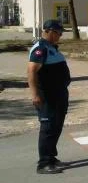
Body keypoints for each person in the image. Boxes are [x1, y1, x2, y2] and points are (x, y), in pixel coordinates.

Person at [28, 19, 71, 174]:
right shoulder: (40, 49)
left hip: (59, 95)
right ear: (49, 31)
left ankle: (51, 158)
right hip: (47, 97)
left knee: (56, 127)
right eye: (58, 33)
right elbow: (31, 71)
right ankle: (44, 163)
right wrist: (35, 95)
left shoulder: (51, 47)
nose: (60, 36)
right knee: (47, 128)